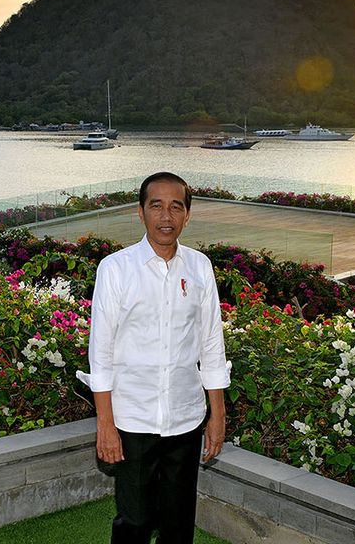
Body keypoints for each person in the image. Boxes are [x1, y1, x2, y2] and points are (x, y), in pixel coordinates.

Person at [77, 172, 230, 544]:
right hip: (133, 421)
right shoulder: (115, 269)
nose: (166, 215)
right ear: (140, 212)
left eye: (176, 206)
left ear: (187, 215)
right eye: (156, 205)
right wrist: (106, 425)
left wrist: (218, 415)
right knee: (135, 522)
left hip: (186, 419)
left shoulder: (200, 267)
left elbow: (211, 343)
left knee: (178, 525)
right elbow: (101, 354)